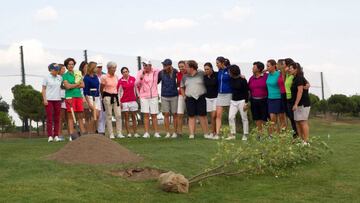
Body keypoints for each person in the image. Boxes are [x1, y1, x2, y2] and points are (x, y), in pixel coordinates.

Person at [180, 60, 209, 139]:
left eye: (186, 67)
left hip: (201, 97)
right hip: (189, 98)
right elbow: (182, 87)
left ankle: (206, 133)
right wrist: (184, 96)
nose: (185, 68)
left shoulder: (201, 73)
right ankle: (192, 134)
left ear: (192, 67)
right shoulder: (184, 76)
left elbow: (210, 74)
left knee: (202, 116)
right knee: (191, 116)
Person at [135, 60, 161, 138]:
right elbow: (136, 84)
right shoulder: (140, 72)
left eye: (146, 65)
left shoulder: (155, 71)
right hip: (143, 96)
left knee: (154, 114)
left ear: (150, 65)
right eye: (144, 65)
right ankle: (146, 133)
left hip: (154, 96)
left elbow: (160, 71)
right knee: (146, 115)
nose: (145, 67)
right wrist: (141, 77)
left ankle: (156, 132)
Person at [62, 58, 85, 140]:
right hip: (70, 97)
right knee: (71, 116)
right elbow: (67, 87)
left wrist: (73, 85)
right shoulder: (65, 75)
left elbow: (83, 85)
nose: (71, 65)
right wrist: (77, 84)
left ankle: (83, 133)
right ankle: (71, 135)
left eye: (72, 64)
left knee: (80, 115)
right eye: (69, 64)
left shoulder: (78, 73)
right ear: (66, 65)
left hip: (78, 96)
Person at [100, 61, 124, 139]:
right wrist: (103, 96)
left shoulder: (116, 76)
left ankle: (119, 133)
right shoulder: (104, 77)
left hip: (116, 97)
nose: (114, 69)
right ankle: (111, 133)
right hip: (107, 97)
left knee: (118, 115)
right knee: (109, 115)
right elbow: (101, 88)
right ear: (108, 68)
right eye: (113, 68)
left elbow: (116, 87)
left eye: (115, 68)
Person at [290, 63, 311, 145]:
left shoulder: (299, 78)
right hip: (297, 104)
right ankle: (301, 140)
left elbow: (300, 91)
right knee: (298, 122)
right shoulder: (295, 78)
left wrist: (295, 104)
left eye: (291, 68)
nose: (290, 69)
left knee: (303, 122)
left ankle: (306, 141)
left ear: (296, 69)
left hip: (303, 103)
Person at [228, 64, 249, 140]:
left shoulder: (243, 80)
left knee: (244, 118)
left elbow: (246, 92)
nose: (228, 72)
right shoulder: (231, 79)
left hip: (242, 101)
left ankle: (245, 134)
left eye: (229, 71)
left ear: (233, 72)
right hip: (233, 101)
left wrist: (246, 103)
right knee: (231, 117)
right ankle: (232, 134)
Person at [42, 63, 62, 142]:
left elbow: (62, 87)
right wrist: (44, 99)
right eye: (55, 70)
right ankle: (50, 136)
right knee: (49, 118)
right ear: (50, 70)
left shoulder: (60, 77)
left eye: (57, 70)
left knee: (57, 118)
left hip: (58, 99)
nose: (56, 71)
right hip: (49, 100)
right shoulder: (46, 77)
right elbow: (43, 89)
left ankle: (56, 135)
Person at [117, 67, 140, 138]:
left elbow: (136, 89)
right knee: (126, 117)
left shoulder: (133, 79)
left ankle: (135, 133)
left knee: (134, 117)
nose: (125, 73)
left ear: (128, 72)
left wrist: (138, 97)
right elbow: (118, 92)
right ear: (122, 73)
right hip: (124, 102)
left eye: (126, 71)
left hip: (133, 100)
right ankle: (129, 133)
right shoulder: (120, 81)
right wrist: (119, 101)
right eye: (123, 72)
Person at [158, 59, 178, 138]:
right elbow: (156, 82)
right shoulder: (161, 73)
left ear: (170, 65)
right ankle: (167, 133)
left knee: (174, 114)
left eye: (165, 65)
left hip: (174, 95)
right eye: (163, 65)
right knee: (166, 114)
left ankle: (175, 132)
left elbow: (180, 80)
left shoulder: (175, 71)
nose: (164, 66)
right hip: (164, 96)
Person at [266, 59, 286, 136]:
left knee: (281, 118)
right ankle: (272, 135)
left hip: (279, 98)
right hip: (270, 99)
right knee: (272, 118)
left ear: (274, 66)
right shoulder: (268, 75)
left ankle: (283, 134)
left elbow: (284, 70)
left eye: (268, 66)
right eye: (266, 66)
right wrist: (266, 70)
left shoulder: (279, 74)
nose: (267, 67)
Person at [248, 62, 268, 137]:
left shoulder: (266, 76)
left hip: (264, 100)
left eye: (254, 67)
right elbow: (248, 89)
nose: (252, 68)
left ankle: (265, 134)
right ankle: (260, 134)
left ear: (259, 69)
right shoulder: (251, 78)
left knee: (264, 118)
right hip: (254, 100)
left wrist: (265, 70)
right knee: (257, 117)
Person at [215, 56, 232, 139]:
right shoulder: (219, 71)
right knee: (218, 114)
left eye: (217, 63)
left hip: (229, 94)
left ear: (222, 63)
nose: (216, 65)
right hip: (220, 95)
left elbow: (236, 76)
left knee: (230, 115)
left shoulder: (229, 70)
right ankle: (218, 134)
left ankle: (231, 133)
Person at [83, 61, 101, 133]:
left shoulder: (96, 77)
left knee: (98, 116)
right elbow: (85, 91)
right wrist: (89, 103)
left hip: (97, 97)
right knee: (94, 115)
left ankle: (94, 131)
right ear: (92, 68)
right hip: (90, 97)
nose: (97, 68)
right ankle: (89, 132)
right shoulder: (86, 78)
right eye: (96, 67)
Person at [203, 62, 218, 139]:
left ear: (211, 68)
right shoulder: (204, 77)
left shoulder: (217, 74)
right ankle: (213, 132)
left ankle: (215, 132)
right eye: (205, 69)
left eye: (207, 69)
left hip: (216, 98)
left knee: (214, 116)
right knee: (211, 117)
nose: (206, 70)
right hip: (208, 98)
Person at [176, 61, 187, 136]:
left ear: (185, 66)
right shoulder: (178, 74)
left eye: (182, 66)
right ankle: (179, 132)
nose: (181, 68)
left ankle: (192, 132)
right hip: (180, 95)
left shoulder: (189, 73)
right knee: (180, 114)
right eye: (179, 67)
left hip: (190, 95)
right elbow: (178, 84)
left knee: (192, 115)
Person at [58, 64, 68, 141]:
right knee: (60, 117)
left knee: (67, 117)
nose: (64, 70)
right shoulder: (57, 78)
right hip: (60, 99)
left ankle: (70, 134)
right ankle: (59, 134)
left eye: (64, 69)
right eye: (63, 69)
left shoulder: (66, 77)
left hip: (67, 98)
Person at [96, 63, 106, 135]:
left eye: (100, 67)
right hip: (96, 96)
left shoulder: (104, 75)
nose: (99, 68)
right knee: (98, 114)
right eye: (98, 67)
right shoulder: (93, 76)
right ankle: (99, 130)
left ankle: (102, 130)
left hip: (104, 96)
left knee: (104, 114)